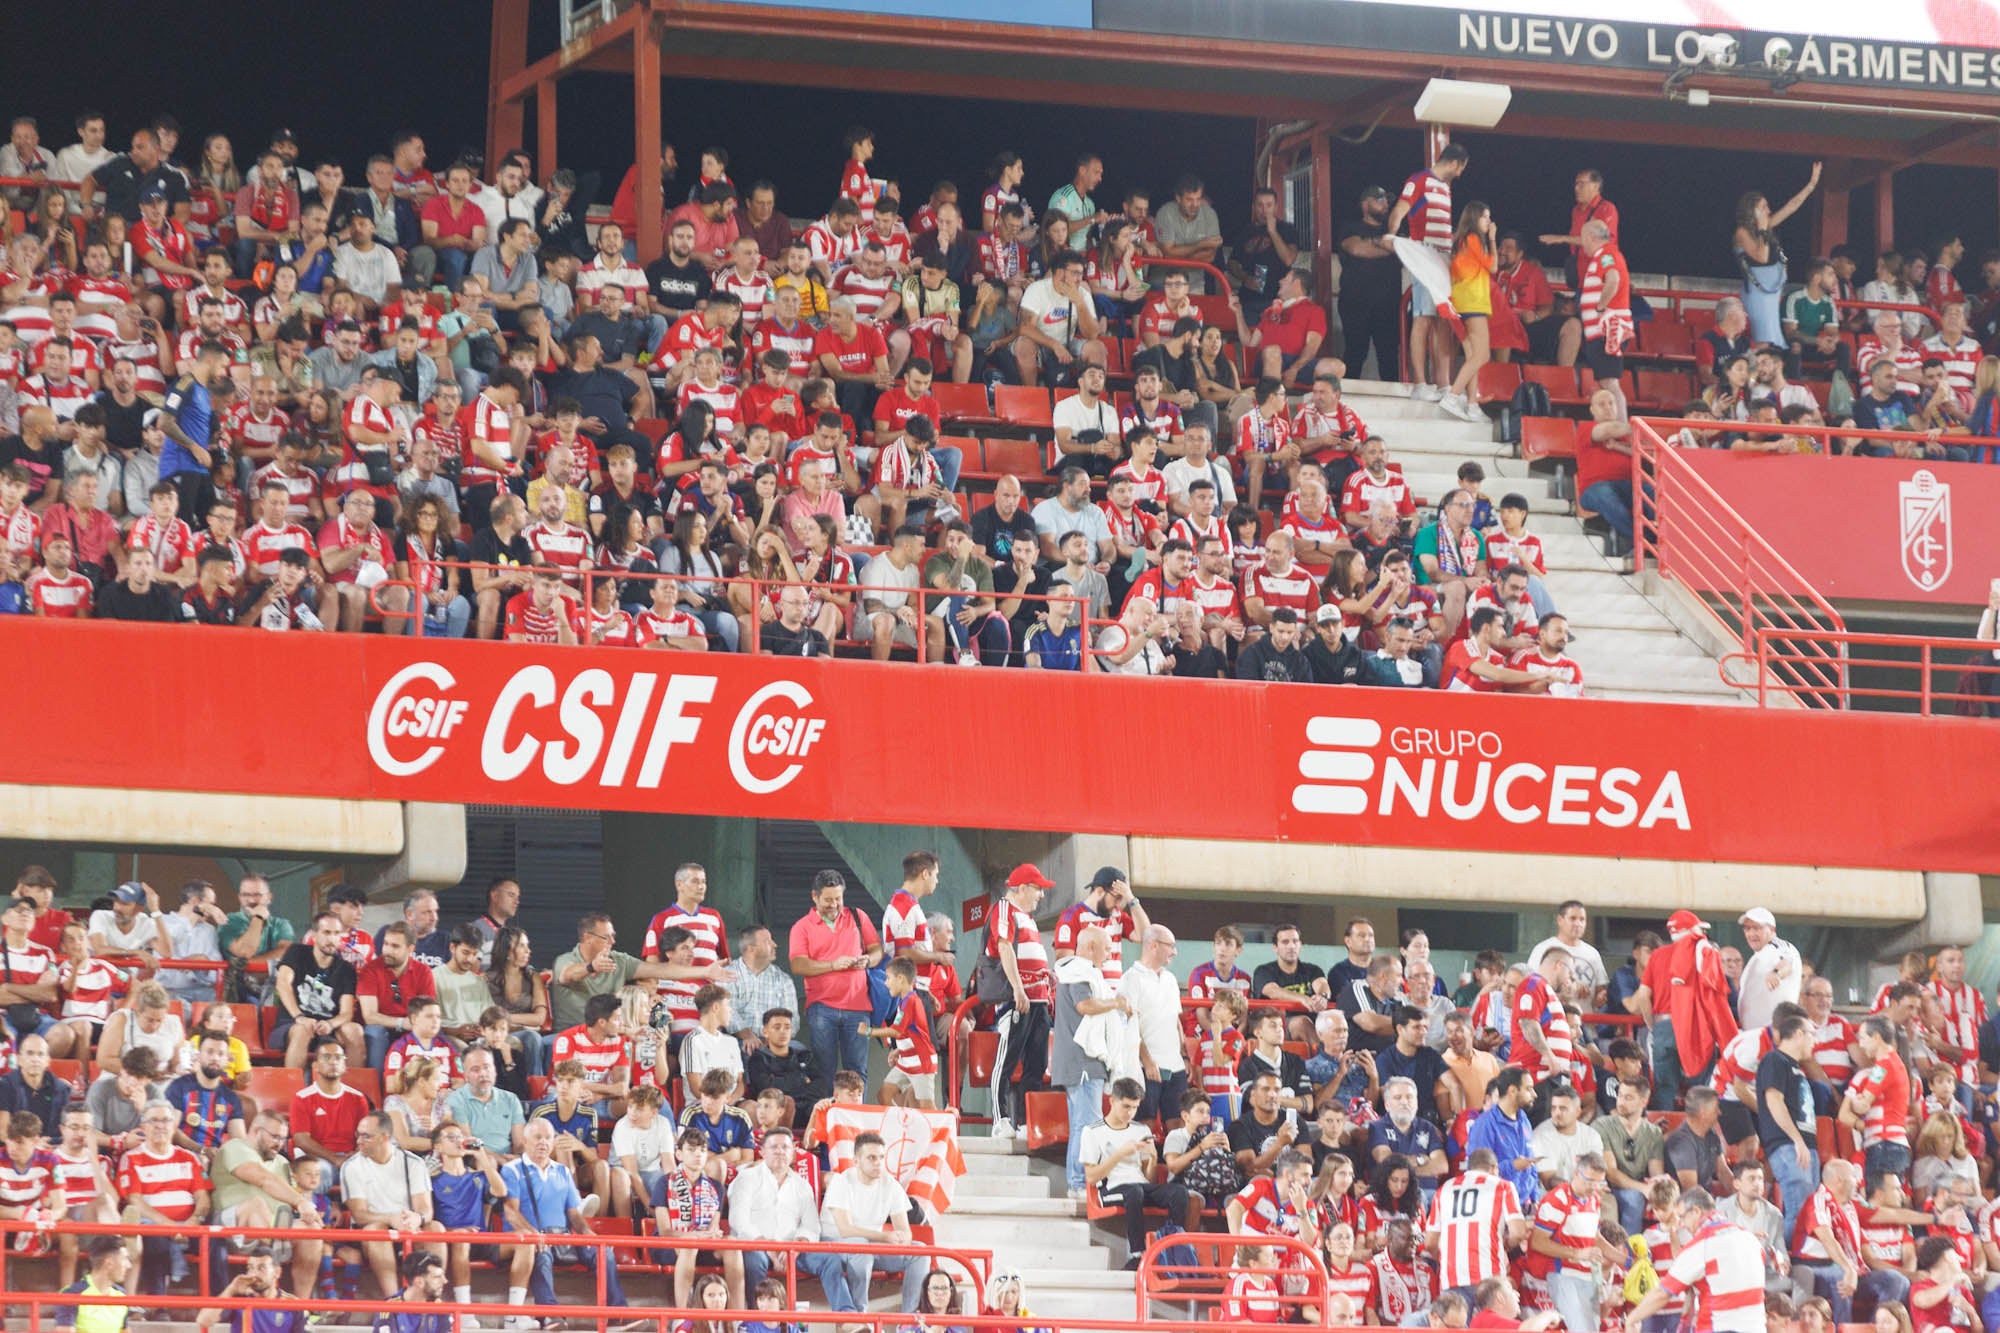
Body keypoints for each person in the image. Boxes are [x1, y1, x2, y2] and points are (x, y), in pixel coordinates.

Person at [1084, 1076, 1196, 1268]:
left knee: (1179, 1193)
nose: (1131, 1113)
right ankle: (1137, 1254)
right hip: (1111, 1187)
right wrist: (1120, 1154)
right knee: (1134, 1192)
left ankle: (1170, 1247)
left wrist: (1152, 1158)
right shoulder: (1093, 1131)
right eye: (1126, 1106)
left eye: (1135, 1107)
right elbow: (1092, 1177)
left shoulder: (1141, 1129)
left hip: (1140, 1186)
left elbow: (1149, 1179)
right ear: (1112, 1101)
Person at [1053, 925, 1132, 1200]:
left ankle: (1078, 1182)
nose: (1109, 953)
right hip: (1082, 1061)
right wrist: (1116, 1004)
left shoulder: (1081, 972)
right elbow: (1084, 1006)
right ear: (1090, 947)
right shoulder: (1078, 971)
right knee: (1088, 1126)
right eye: (1106, 947)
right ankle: (1078, 1184)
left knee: (1084, 1124)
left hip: (1083, 1062)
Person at [1386, 142, 1469, 398]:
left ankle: (1442, 384)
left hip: (1443, 259)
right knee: (1422, 318)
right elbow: (1400, 208)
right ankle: (1420, 383)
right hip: (1424, 255)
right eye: (1461, 168)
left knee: (1444, 320)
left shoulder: (1445, 187)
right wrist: (1391, 237)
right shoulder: (1419, 180)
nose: (1460, 174)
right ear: (1455, 163)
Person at [1625, 1187, 1766, 1333]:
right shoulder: (1750, 1239)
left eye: (1682, 1217)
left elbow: (1663, 1294)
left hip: (1718, 1326)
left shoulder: (1701, 1245)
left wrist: (1632, 1319)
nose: (1681, 1224)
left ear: (1696, 1212)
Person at [820, 1129, 928, 1312]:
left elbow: (905, 1230)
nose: (878, 1163)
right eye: (871, 1158)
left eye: (881, 1157)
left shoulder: (890, 1184)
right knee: (862, 1248)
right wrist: (885, 1238)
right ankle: (859, 1317)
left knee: (920, 1252)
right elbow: (846, 1230)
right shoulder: (841, 1181)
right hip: (835, 1244)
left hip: (871, 1246)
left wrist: (903, 1239)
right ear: (856, 1161)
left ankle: (909, 1321)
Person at [786, 870, 880, 1079]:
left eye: (838, 898)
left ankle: (856, 1113)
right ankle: (827, 1112)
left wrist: (868, 960)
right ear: (814, 896)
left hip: (859, 1007)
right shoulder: (801, 927)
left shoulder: (858, 916)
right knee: (823, 1070)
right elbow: (798, 965)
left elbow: (877, 950)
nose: (834, 904)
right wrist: (833, 965)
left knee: (857, 1071)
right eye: (828, 899)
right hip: (822, 1008)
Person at [986, 863, 1056, 1141]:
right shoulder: (1004, 909)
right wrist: (1017, 988)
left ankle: (1028, 1123)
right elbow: (1003, 946)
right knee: (1006, 1060)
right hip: (1017, 998)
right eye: (1038, 889)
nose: (1041, 895)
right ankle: (1001, 1119)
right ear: (1023, 888)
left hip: (1037, 999)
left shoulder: (1027, 918)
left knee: (1036, 1065)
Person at [1733, 164, 1821, 346]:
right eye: (1764, 207)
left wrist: (1811, 185)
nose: (1768, 210)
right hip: (1758, 292)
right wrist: (1763, 228)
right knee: (1763, 340)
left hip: (1772, 291)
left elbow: (1791, 206)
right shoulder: (1742, 233)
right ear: (1753, 210)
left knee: (1774, 339)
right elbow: (1761, 257)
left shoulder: (1767, 225)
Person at [1442, 201, 1497, 424]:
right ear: (1475, 218)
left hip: (1465, 301)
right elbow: (1493, 267)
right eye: (1485, 217)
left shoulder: (1462, 241)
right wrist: (1493, 238)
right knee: (1482, 355)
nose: (1489, 222)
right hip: (1472, 302)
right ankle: (1454, 395)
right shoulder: (1473, 239)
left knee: (1474, 356)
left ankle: (1472, 403)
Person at [1737, 907, 1803, 1030]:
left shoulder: (1779, 946)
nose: (1751, 934)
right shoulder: (1760, 955)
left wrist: (1776, 973)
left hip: (1774, 1034)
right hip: (1755, 1035)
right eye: (1747, 928)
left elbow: (1787, 962)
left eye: (1756, 928)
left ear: (1772, 929)